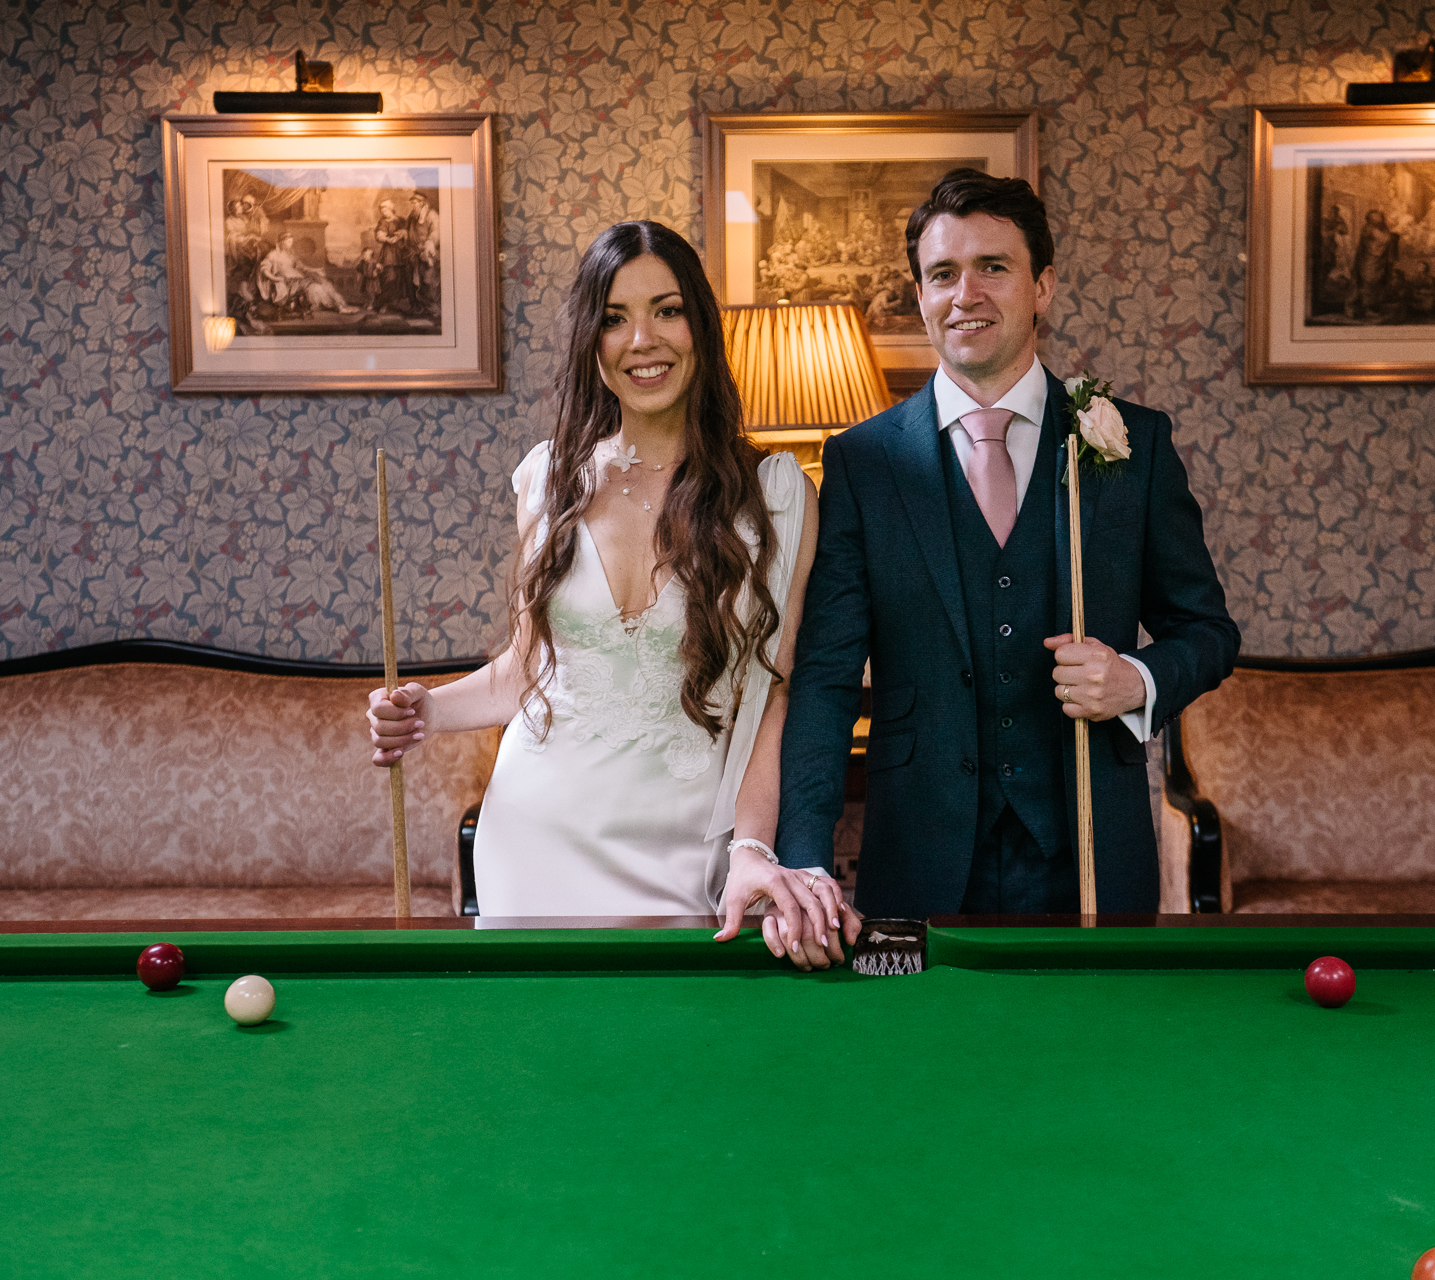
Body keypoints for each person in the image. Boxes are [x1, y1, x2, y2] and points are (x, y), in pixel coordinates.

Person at [366, 221, 857, 969]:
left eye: (666, 310)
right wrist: (427, 709)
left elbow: (772, 696)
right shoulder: (547, 478)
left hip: (680, 855)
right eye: (614, 318)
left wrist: (754, 846)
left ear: (699, 324)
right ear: (591, 344)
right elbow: (529, 671)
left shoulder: (777, 494)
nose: (642, 340)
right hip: (531, 840)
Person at [775, 169, 1239, 918]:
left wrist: (1136, 682)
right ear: (920, 295)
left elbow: (1209, 632)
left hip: (1092, 854)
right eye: (943, 274)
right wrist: (802, 859)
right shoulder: (862, 464)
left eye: (993, 267)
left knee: (1096, 1040)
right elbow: (826, 680)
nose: (967, 294)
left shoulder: (1134, 446)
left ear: (1043, 287)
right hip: (918, 861)